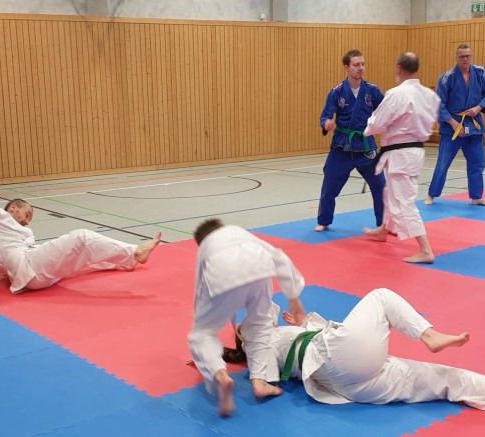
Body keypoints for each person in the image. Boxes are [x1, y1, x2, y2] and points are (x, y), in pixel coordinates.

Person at [271, 288, 485, 416]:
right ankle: (429, 335)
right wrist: (261, 380)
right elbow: (263, 379)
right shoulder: (263, 344)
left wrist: (304, 322)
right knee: (380, 296)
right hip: (336, 361)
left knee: (448, 379)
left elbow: (326, 342)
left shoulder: (276, 339)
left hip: (353, 384)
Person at [0, 160, 160, 294]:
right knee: (81, 237)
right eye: (27, 213)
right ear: (13, 208)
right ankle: (135, 252)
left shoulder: (20, 231)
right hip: (29, 267)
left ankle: (124, 262)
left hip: (35, 271)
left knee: (82, 257)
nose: (28, 220)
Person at [189, 218, 306, 417]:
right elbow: (278, 256)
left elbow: (200, 286)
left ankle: (220, 374)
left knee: (202, 334)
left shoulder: (206, 248)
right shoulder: (238, 232)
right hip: (259, 267)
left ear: (201, 241)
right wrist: (293, 297)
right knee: (260, 324)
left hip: (222, 275)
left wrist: (199, 316)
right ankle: (260, 381)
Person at [362, 52, 441, 264]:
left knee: (404, 201)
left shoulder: (396, 94)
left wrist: (368, 128)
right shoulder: (430, 95)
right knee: (390, 192)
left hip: (400, 153)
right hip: (415, 151)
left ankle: (425, 250)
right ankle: (384, 230)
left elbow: (378, 122)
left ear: (398, 68)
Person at [315, 49, 387, 232]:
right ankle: (324, 221)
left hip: (365, 147)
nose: (360, 68)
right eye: (356, 65)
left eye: (362, 64)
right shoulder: (337, 92)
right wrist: (326, 123)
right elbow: (325, 116)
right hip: (342, 147)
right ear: (347, 68)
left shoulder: (372, 90)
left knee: (380, 186)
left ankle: (383, 224)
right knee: (329, 186)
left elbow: (385, 112)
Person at [425, 43, 485, 207]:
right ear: (456, 57)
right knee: (443, 162)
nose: (465, 59)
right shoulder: (447, 77)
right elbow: (439, 104)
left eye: (468, 56)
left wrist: (478, 108)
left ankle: (476, 196)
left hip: (473, 124)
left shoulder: (480, 73)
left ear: (471, 56)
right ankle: (431, 194)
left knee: (477, 162)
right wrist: (453, 123)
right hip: (452, 125)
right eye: (462, 56)